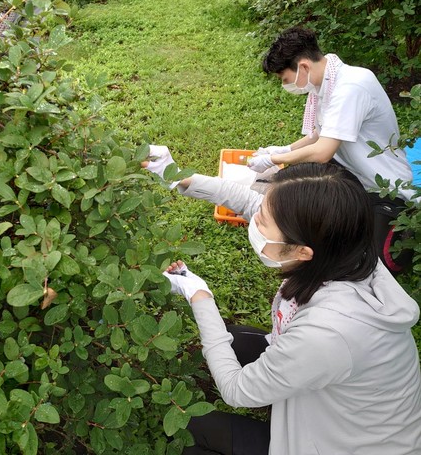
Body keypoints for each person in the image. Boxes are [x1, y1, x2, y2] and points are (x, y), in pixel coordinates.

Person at [161, 162, 421, 455]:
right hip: (334, 404)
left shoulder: (329, 333)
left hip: (340, 444)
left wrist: (199, 296)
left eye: (263, 221)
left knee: (190, 432)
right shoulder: (343, 249)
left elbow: (236, 389)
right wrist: (178, 177)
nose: (255, 219)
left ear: (302, 251)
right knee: (233, 340)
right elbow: (253, 202)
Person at [247, 26, 415, 273]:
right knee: (300, 206)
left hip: (383, 186)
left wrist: (276, 158)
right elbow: (319, 134)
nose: (286, 86)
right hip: (347, 172)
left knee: (373, 263)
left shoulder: (352, 86)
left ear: (303, 67)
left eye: (285, 80)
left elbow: (322, 150)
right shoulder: (326, 82)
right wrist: (284, 148)